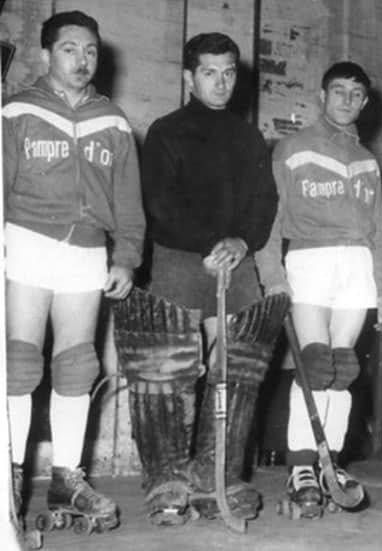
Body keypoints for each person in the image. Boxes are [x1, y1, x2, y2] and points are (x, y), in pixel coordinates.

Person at [113, 32, 283, 525]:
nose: (221, 82)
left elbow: (264, 201)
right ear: (189, 77)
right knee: (171, 368)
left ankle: (217, 475)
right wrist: (212, 242)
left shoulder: (249, 136)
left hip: (236, 259)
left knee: (240, 365)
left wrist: (241, 243)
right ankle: (167, 479)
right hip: (182, 257)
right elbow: (160, 204)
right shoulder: (166, 131)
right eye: (210, 72)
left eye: (229, 72)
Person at [3, 10, 144, 529]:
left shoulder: (114, 120)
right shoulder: (17, 111)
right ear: (45, 54)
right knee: (18, 364)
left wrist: (126, 255)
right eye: (69, 49)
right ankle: (9, 475)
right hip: (27, 240)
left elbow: (129, 201)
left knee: (77, 366)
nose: (81, 60)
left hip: (87, 250)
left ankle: (66, 478)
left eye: (89, 51)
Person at [255, 61, 382, 517]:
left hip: (356, 265)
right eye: (339, 91)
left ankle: (329, 460)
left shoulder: (368, 162)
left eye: (356, 94)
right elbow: (269, 222)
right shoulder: (292, 149)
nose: (347, 101)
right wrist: (273, 276)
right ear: (321, 94)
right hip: (310, 259)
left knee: (343, 367)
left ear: (365, 101)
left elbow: (378, 231)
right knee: (313, 365)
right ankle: (300, 466)